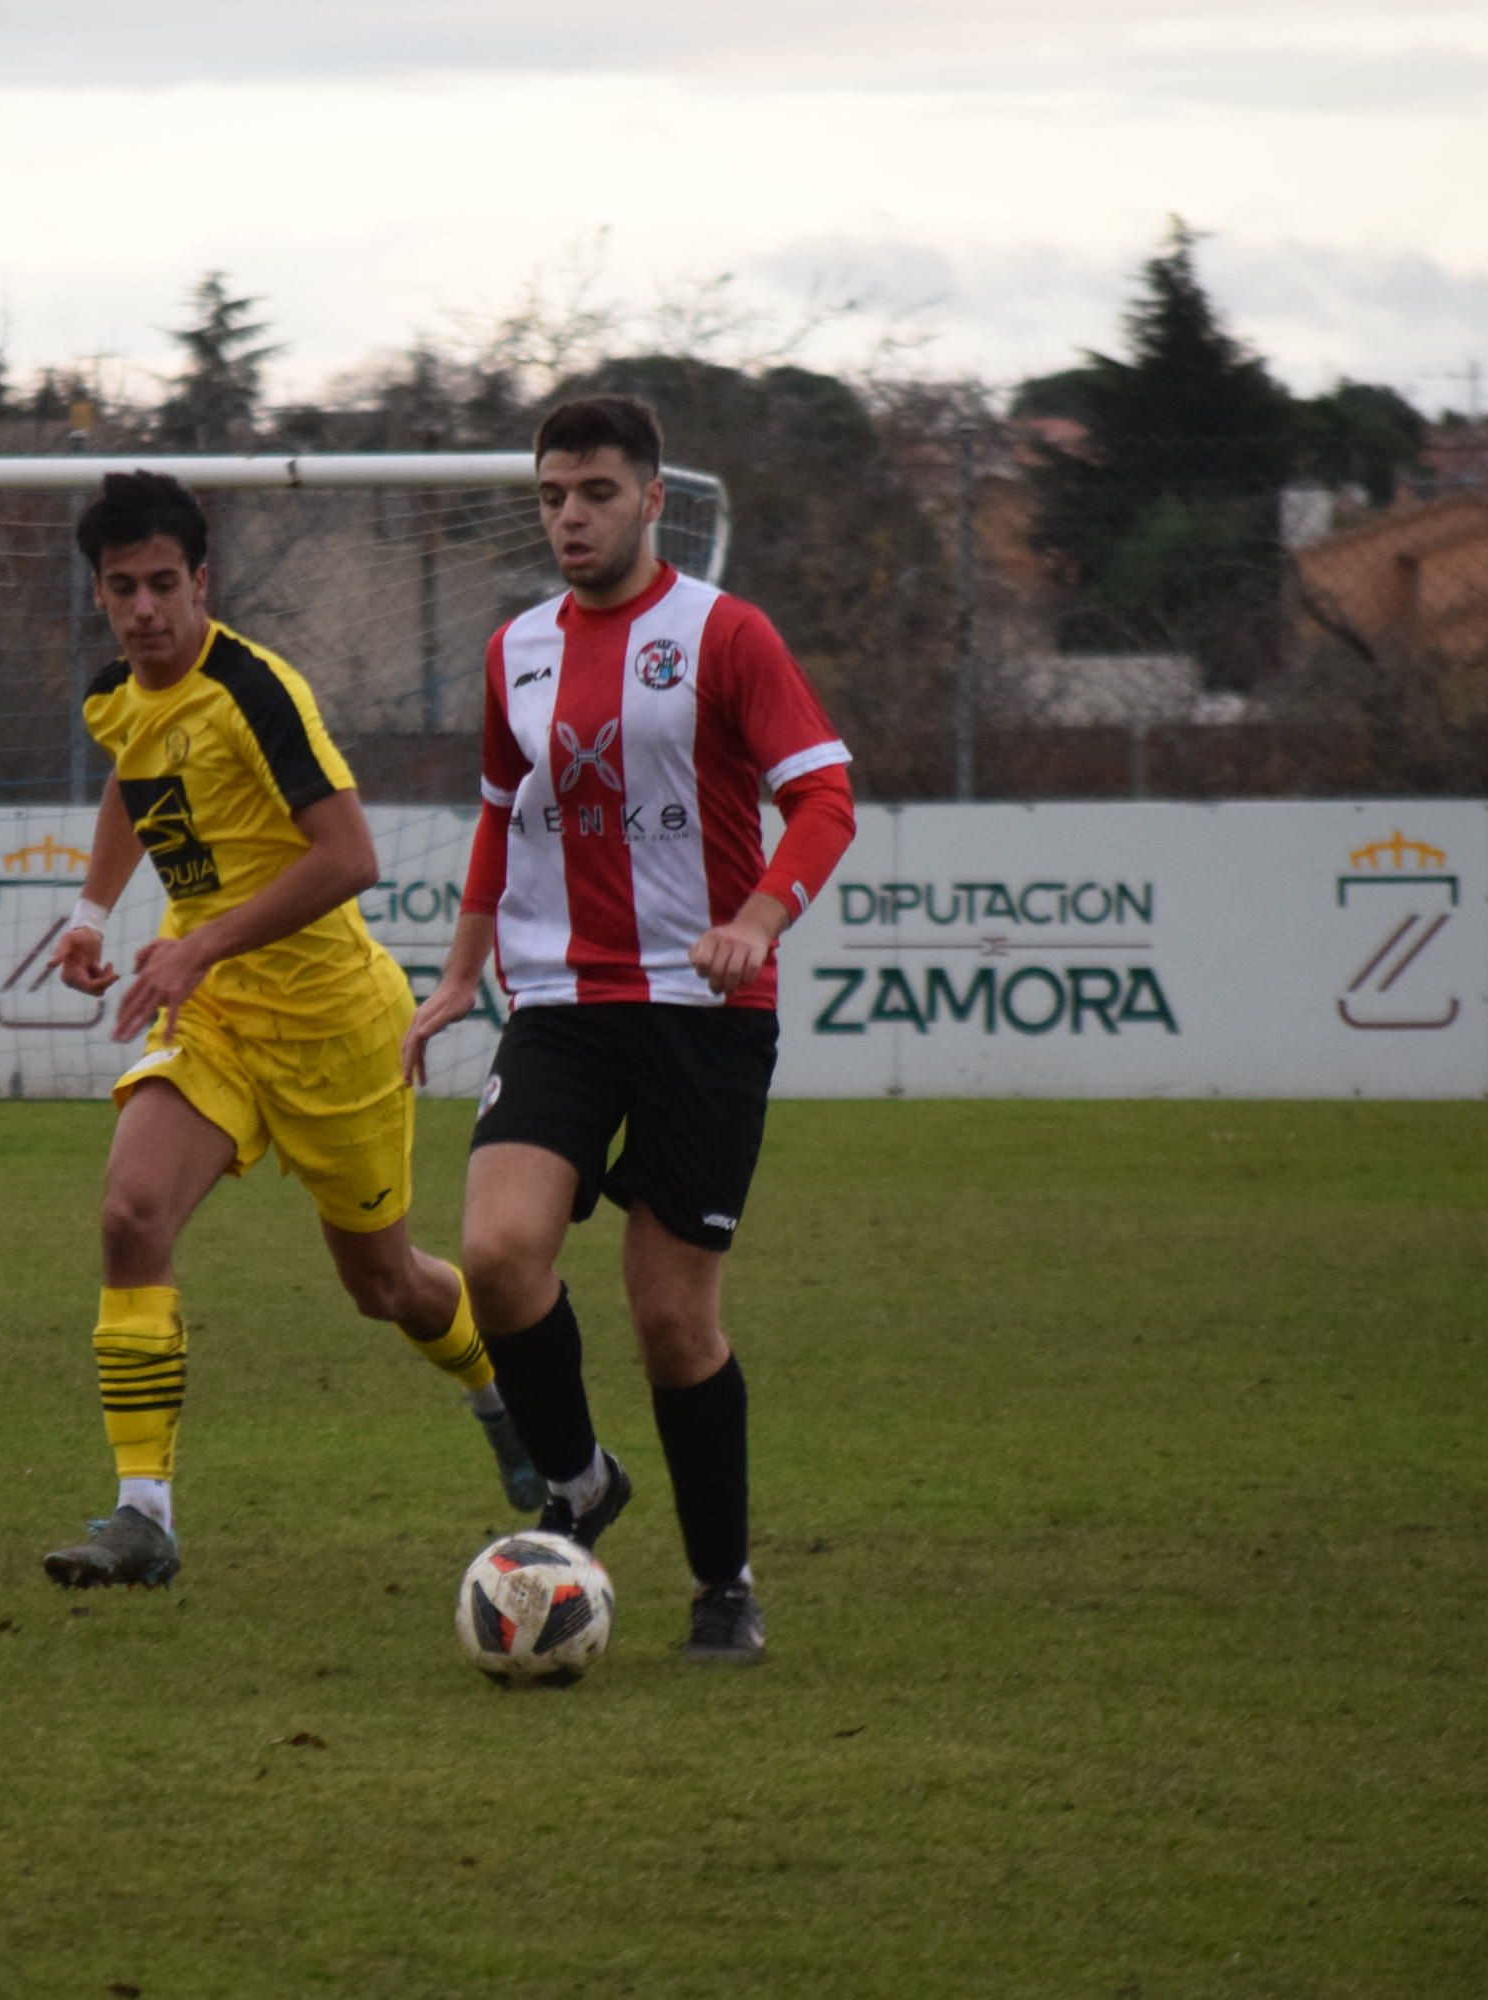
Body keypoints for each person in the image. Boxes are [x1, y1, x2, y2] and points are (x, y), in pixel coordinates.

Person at [402, 395, 856, 1663]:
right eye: (551, 494)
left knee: (670, 1316)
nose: (570, 516)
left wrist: (759, 919)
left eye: (595, 492)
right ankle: (581, 1480)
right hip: (558, 1003)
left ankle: (724, 1580)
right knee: (496, 1252)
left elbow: (822, 797)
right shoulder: (516, 651)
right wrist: (455, 977)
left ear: (653, 500)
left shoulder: (726, 634)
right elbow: (503, 815)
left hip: (705, 1014)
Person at [40, 469, 543, 1589]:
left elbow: (350, 857)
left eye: (163, 583)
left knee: (384, 1285)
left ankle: (497, 1395)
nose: (143, 609)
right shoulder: (116, 692)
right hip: (215, 1017)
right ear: (100, 594)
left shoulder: (259, 691)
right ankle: (143, 1516)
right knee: (129, 1214)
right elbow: (136, 774)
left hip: (333, 1030)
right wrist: (90, 912)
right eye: (120, 588)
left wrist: (199, 941)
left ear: (201, 580)